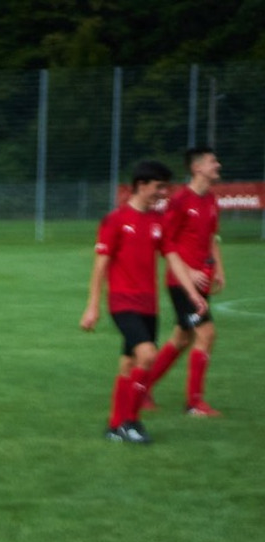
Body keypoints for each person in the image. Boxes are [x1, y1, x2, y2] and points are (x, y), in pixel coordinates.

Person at [81, 159, 205, 443]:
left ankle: (114, 425)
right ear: (141, 185)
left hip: (149, 306)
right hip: (123, 304)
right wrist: (92, 306)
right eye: (159, 187)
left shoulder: (157, 221)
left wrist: (192, 293)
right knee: (147, 354)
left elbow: (173, 257)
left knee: (128, 364)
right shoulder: (115, 220)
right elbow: (100, 266)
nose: (163, 193)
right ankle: (131, 422)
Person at [148, 147, 224, 416]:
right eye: (213, 161)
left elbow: (212, 238)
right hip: (182, 284)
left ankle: (143, 387)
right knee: (206, 333)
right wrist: (189, 273)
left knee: (182, 338)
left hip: (202, 283)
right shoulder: (180, 201)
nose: (218, 165)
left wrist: (220, 270)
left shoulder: (212, 200)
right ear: (197, 168)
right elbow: (166, 244)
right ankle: (194, 402)